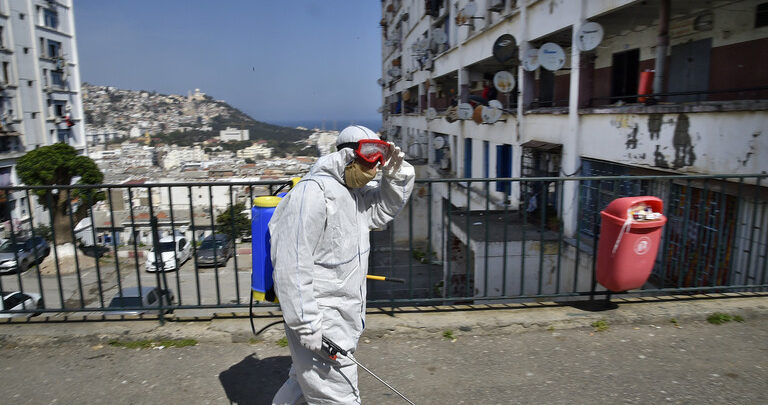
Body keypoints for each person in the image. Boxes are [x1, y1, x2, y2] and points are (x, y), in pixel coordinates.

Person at [270, 125, 415, 404]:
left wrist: (397, 175)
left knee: (301, 383)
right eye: (370, 157)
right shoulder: (311, 194)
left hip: (343, 318)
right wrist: (307, 325)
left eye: (380, 159)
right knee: (341, 398)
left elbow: (384, 208)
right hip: (321, 322)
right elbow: (291, 267)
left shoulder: (354, 195)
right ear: (347, 155)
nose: (374, 167)